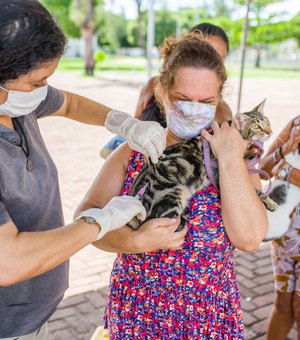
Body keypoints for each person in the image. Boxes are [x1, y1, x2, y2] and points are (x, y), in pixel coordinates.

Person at [76, 32, 268, 339]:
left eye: (206, 101)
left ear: (219, 101)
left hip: (208, 314)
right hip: (139, 312)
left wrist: (230, 159)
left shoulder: (233, 156)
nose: (194, 109)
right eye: (182, 99)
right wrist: (134, 242)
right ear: (162, 93)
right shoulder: (132, 153)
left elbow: (249, 239)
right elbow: (85, 218)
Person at [0, 1, 172, 339]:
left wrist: (124, 124)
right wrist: (100, 221)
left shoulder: (16, 103)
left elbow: (72, 104)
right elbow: (10, 261)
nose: (44, 89)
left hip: (34, 315)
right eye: (38, 82)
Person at [100, 23, 232, 159]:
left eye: (218, 57)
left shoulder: (223, 113)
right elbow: (136, 122)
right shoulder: (152, 86)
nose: (207, 59)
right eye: (183, 98)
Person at [259, 116, 300, 340]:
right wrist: (285, 149)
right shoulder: (296, 122)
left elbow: (277, 171)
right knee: (283, 304)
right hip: (284, 234)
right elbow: (263, 168)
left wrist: (285, 172)